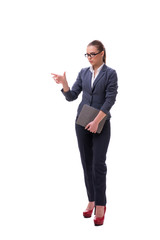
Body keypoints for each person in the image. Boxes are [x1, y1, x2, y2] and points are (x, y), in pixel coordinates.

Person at [51, 40, 118, 226]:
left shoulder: (110, 74)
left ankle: (101, 205)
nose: (89, 58)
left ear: (102, 53)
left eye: (92, 54)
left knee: (98, 164)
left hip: (101, 123)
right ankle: (92, 199)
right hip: (82, 123)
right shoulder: (83, 72)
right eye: (87, 54)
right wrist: (64, 84)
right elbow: (72, 96)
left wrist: (96, 121)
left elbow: (110, 100)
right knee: (87, 163)